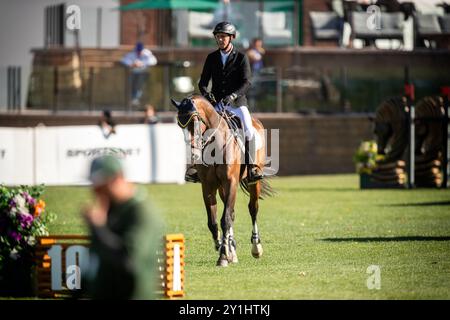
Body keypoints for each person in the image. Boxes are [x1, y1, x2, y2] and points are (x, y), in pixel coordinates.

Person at [185, 21, 263, 184]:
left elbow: (247, 82)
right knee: (199, 129)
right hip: (216, 105)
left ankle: (252, 167)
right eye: (218, 37)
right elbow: (203, 82)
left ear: (231, 38)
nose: (220, 40)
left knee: (248, 129)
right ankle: (195, 168)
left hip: (237, 104)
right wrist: (207, 94)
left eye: (223, 37)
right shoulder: (211, 58)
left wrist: (233, 96)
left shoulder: (241, 57)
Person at [81, 155, 163, 299]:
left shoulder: (142, 212)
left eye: (100, 186)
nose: (95, 191)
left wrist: (99, 228)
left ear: (117, 179)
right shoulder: (108, 209)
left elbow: (129, 261)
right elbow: (95, 264)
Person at [121, 42, 157, 107]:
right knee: (132, 86)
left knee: (139, 86)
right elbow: (124, 60)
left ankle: (136, 99)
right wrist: (132, 64)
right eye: (138, 51)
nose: (139, 52)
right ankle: (133, 99)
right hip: (133, 73)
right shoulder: (132, 53)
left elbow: (154, 61)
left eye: (140, 51)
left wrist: (142, 63)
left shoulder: (147, 53)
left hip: (143, 73)